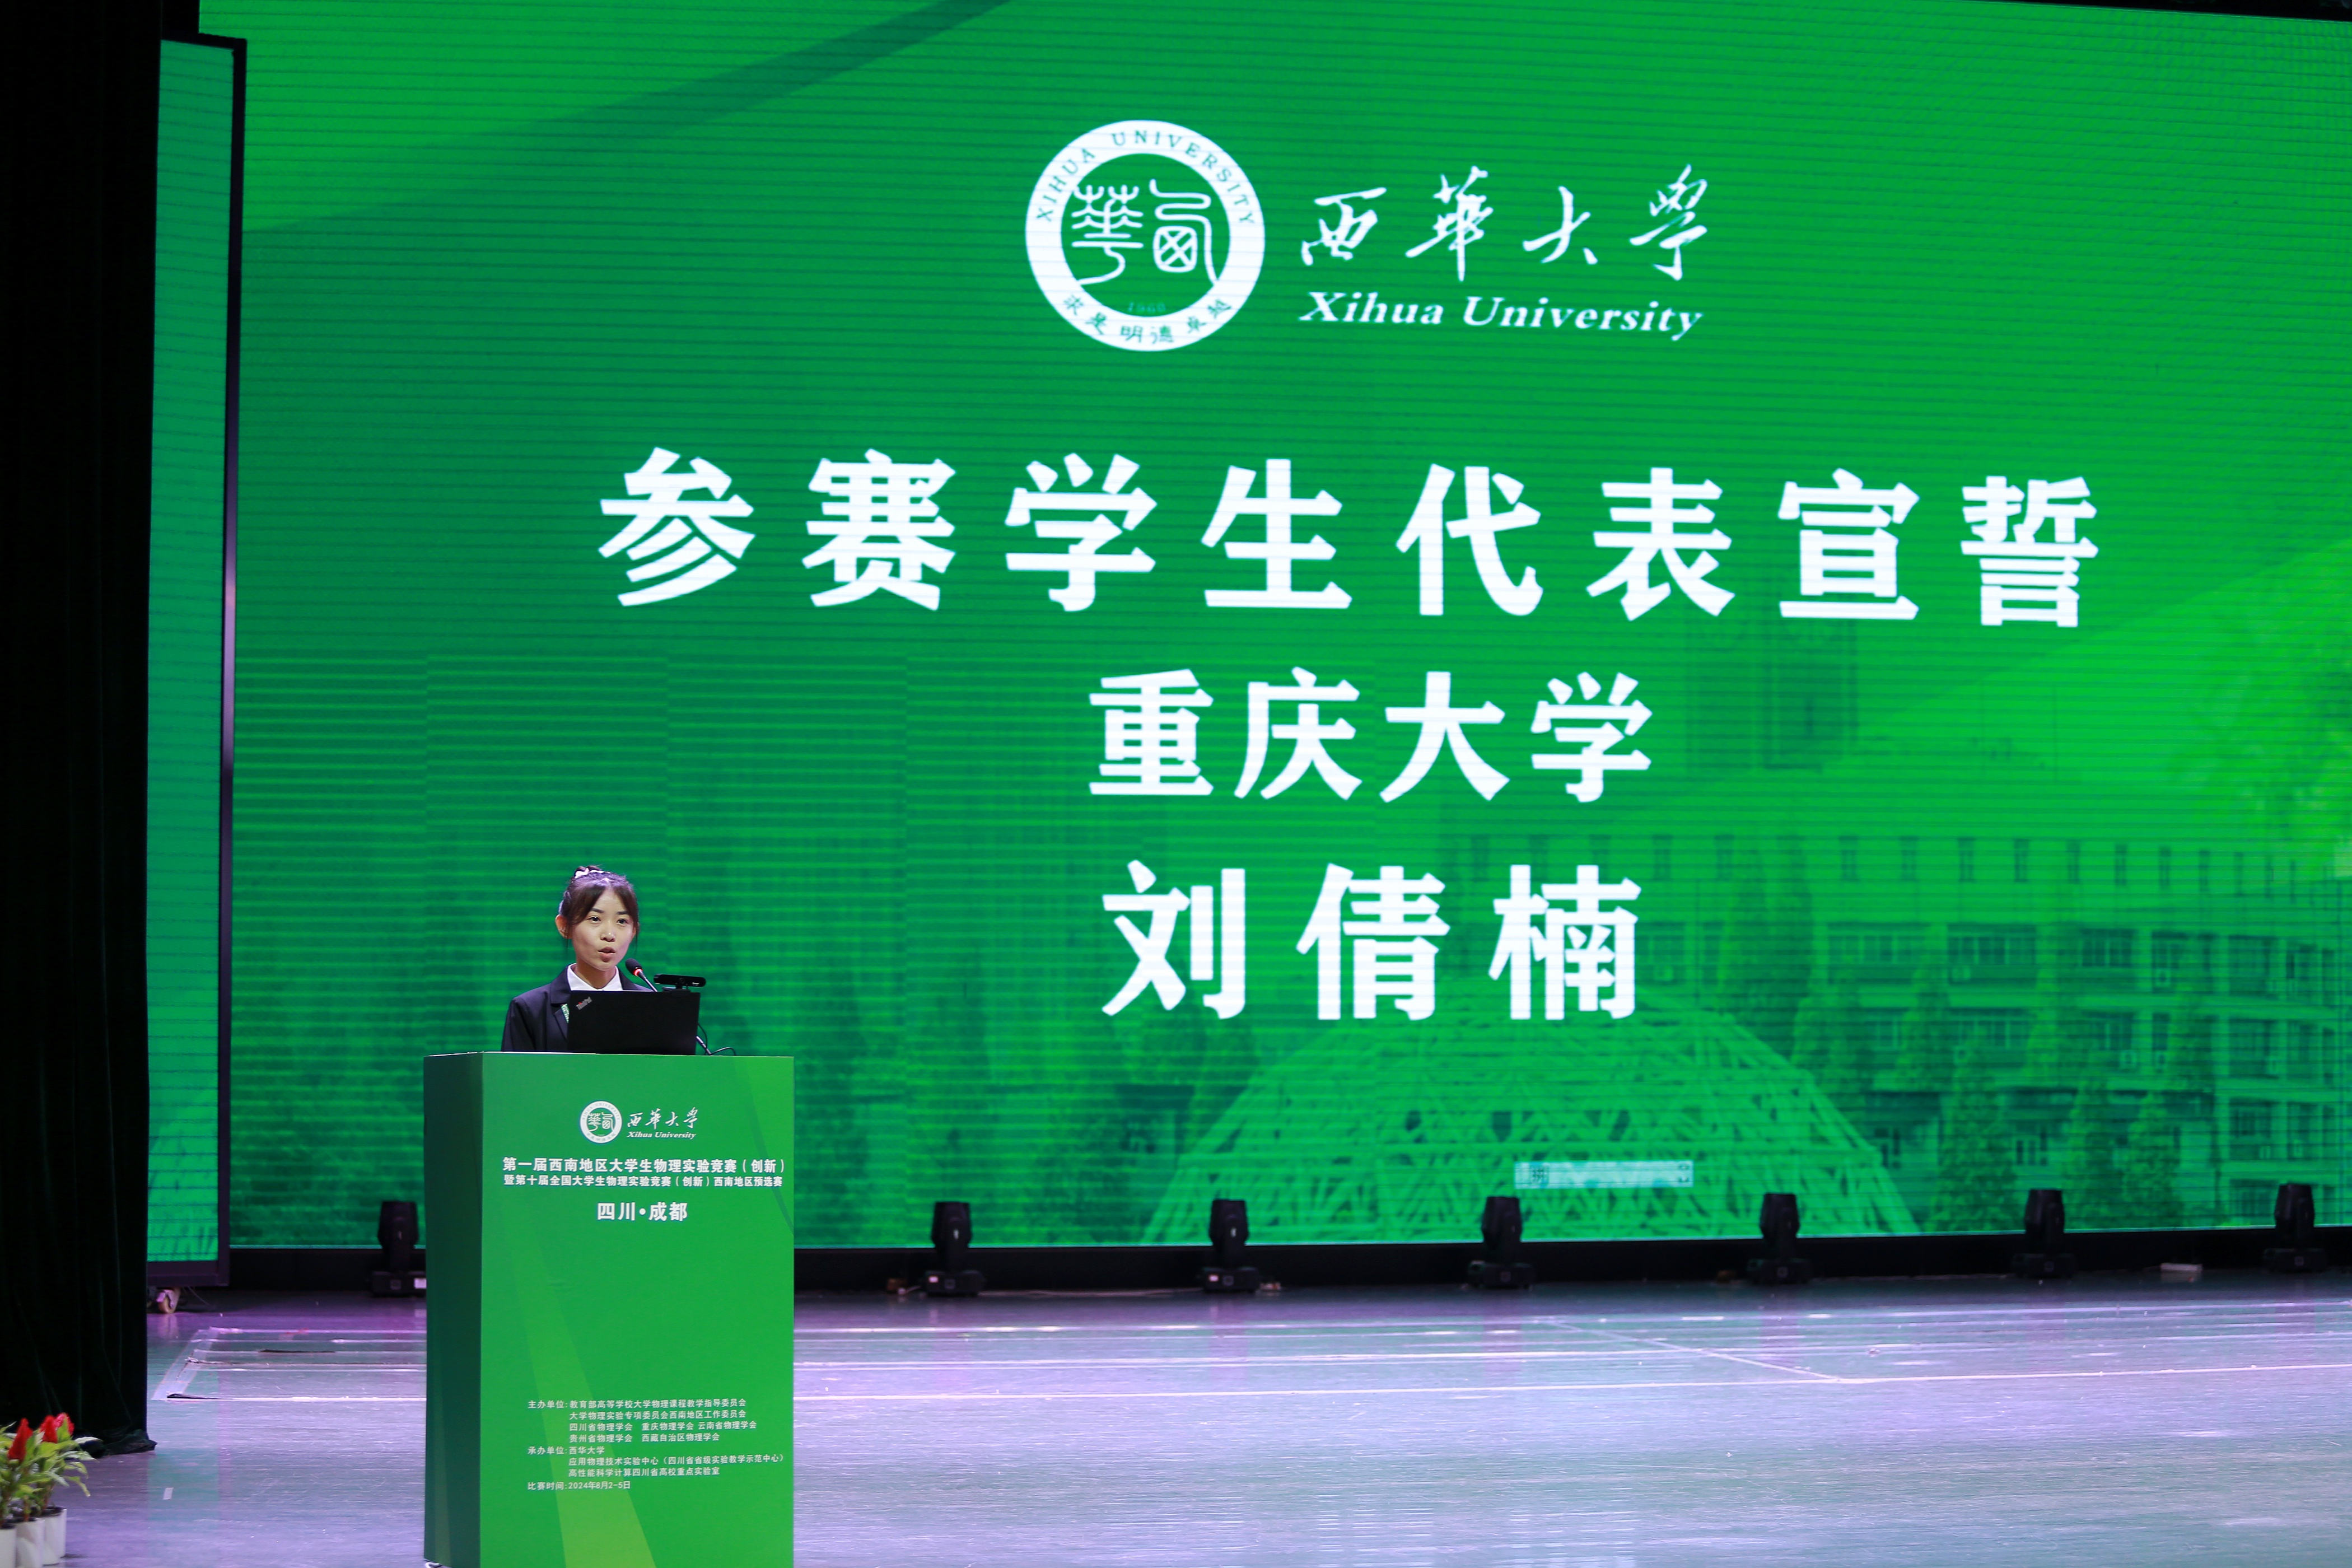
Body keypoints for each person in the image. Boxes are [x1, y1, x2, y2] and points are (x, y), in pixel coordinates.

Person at [501, 865, 652, 1051]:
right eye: (595, 919)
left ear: (634, 930)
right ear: (565, 926)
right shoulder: (530, 1009)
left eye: (622, 921)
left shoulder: (653, 1007)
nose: (609, 935)